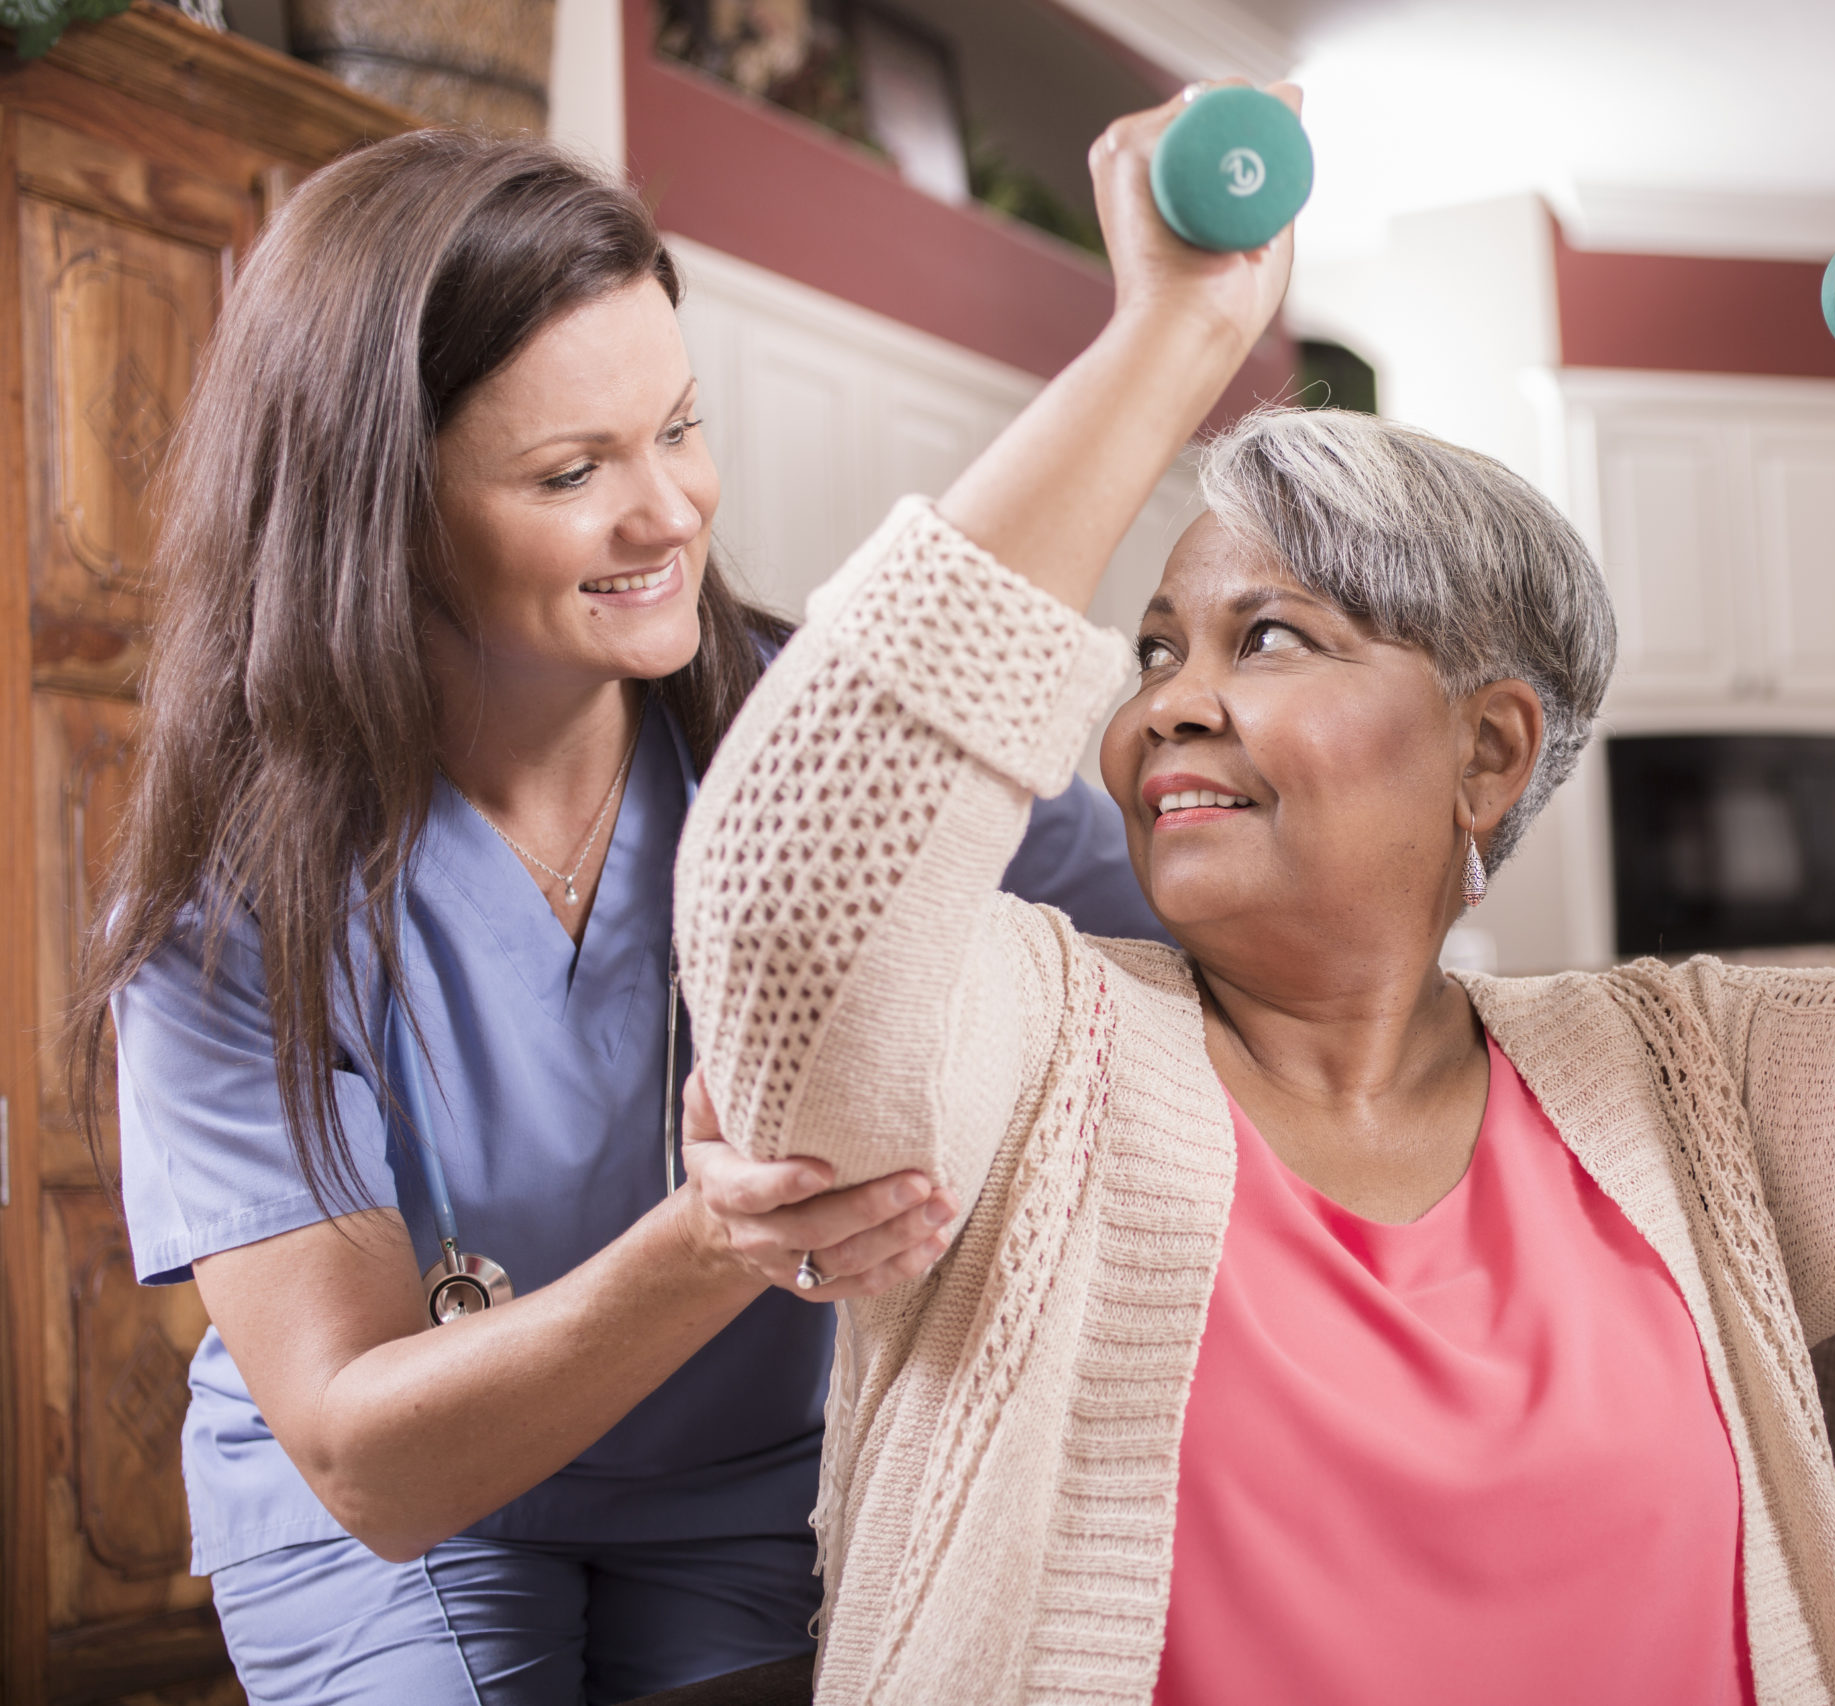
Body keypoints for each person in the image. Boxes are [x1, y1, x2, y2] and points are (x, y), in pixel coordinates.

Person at [673, 82, 1835, 1706]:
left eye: (1267, 637)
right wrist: (1170, 342)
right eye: (1154, 652)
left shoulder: (1680, 1084)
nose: (1162, 709)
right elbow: (795, 900)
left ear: (1488, 751)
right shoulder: (1029, 1053)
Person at [69, 131, 1167, 1706]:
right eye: (572, 472)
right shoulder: (225, 901)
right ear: (379, 506)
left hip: (746, 1481)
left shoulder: (810, 734)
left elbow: (1175, 927)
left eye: (680, 428)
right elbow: (368, 1459)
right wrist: (721, 1241)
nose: (667, 513)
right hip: (394, 1517)